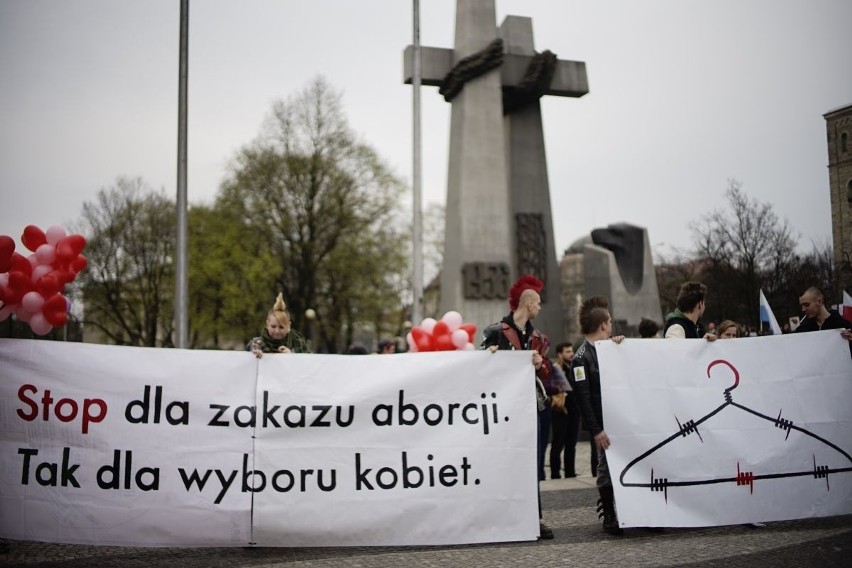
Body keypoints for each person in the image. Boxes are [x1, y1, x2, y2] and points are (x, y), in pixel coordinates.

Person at [482, 274, 554, 541]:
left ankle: (534, 517)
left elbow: (547, 372)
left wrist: (540, 364)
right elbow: (479, 367)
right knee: (504, 461)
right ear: (528, 303)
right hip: (505, 410)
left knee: (533, 463)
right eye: (537, 303)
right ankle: (503, 514)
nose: (540, 308)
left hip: (534, 407)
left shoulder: (538, 338)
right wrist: (488, 357)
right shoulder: (495, 332)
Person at [569, 296, 625, 535]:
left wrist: (622, 347)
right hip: (603, 424)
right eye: (609, 321)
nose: (611, 326)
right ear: (603, 324)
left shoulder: (610, 349)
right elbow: (583, 400)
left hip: (621, 419)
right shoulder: (581, 358)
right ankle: (609, 515)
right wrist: (596, 430)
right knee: (605, 468)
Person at [246, 293, 310, 357]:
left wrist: (292, 355)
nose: (277, 331)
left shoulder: (299, 344)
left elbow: (310, 362)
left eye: (281, 327)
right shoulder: (257, 343)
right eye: (273, 326)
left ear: (289, 326)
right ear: (267, 324)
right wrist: (255, 352)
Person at [550, 342, 580, 479]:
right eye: (567, 351)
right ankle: (555, 473)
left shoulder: (575, 367)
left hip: (574, 411)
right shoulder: (556, 369)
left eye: (571, 351)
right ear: (560, 354)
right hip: (560, 411)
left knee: (571, 444)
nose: (571, 354)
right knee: (558, 443)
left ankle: (570, 472)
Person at [794, 286, 852, 352]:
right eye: (802, 306)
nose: (803, 309)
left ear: (819, 301)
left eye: (807, 305)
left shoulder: (843, 325)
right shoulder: (802, 329)